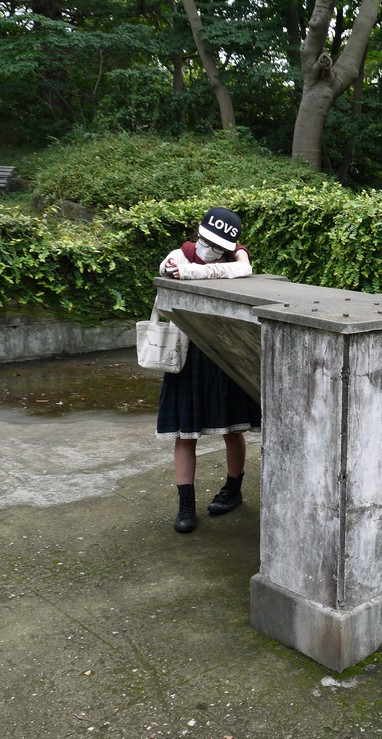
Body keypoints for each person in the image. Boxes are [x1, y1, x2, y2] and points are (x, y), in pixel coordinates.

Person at [155, 206, 261, 534]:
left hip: (225, 351)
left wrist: (202, 270)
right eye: (206, 241)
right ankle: (185, 505)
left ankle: (233, 489)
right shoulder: (180, 255)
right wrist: (184, 269)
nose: (208, 248)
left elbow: (244, 269)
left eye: (216, 245)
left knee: (233, 428)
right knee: (185, 433)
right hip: (188, 355)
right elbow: (167, 268)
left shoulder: (236, 257)